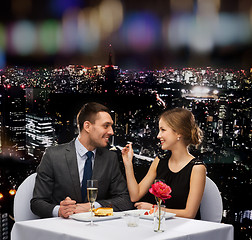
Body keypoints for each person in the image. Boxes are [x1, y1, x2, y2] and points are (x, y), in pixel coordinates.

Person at [31, 102, 133, 218]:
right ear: (87, 126)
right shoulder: (53, 155)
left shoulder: (110, 158)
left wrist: (92, 207)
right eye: (106, 126)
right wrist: (59, 210)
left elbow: (124, 200)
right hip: (62, 229)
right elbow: (37, 203)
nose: (111, 132)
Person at [122, 108, 206, 219]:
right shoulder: (159, 161)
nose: (158, 135)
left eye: (163, 130)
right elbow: (135, 195)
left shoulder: (197, 168)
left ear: (179, 133)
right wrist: (128, 164)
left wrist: (154, 209)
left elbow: (189, 214)